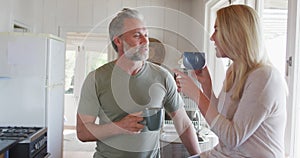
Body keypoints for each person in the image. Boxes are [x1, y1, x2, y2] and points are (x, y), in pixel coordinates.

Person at [76, 8, 201, 158]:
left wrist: (199, 156)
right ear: (118, 40)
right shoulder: (96, 79)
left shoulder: (163, 77)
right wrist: (119, 127)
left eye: (146, 35)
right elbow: (82, 132)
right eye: (137, 35)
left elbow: (184, 124)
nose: (145, 41)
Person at [174, 5, 287, 158]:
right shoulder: (234, 72)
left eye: (217, 30)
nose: (211, 37)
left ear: (235, 33)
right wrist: (206, 85)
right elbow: (221, 121)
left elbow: (232, 138)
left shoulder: (265, 77)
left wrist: (197, 95)